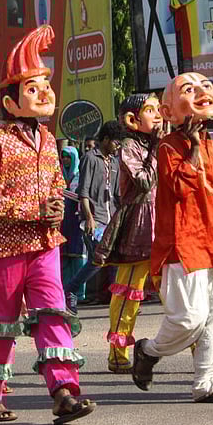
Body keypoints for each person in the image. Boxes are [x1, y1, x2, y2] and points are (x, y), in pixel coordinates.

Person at [0, 25, 95, 425]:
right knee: (1, 325)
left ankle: (63, 391)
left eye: (45, 83)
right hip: (6, 251)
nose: (44, 91)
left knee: (53, 315)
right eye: (32, 87)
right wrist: (33, 210)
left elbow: (58, 187)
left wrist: (57, 209)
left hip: (46, 246)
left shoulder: (48, 140)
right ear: (10, 102)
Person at [130, 72, 213, 403]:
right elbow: (180, 187)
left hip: (212, 243)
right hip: (182, 245)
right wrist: (191, 148)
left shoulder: (209, 143)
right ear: (167, 112)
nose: (203, 91)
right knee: (189, 318)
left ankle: (204, 385)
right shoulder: (168, 146)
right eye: (189, 89)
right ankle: (148, 351)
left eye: (206, 86)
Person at [93, 93, 162, 373]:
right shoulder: (129, 147)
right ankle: (118, 353)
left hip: (165, 224)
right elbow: (145, 183)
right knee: (129, 292)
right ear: (133, 120)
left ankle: (204, 349)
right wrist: (157, 150)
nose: (158, 115)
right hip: (139, 225)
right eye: (151, 110)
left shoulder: (159, 144)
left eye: (159, 109)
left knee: (179, 292)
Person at [63, 121, 122, 311]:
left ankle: (117, 299)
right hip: (93, 219)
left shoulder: (114, 162)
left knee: (113, 259)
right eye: (115, 142)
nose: (117, 146)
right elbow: (84, 191)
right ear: (105, 140)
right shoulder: (90, 158)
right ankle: (70, 290)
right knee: (98, 259)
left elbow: (117, 193)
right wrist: (88, 217)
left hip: (110, 218)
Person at [59, 146, 87, 301]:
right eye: (63, 157)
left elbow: (81, 195)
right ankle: (65, 291)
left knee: (78, 256)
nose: (65, 160)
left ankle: (79, 293)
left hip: (76, 219)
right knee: (65, 257)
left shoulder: (79, 175)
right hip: (63, 221)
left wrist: (65, 193)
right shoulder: (60, 175)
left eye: (68, 157)